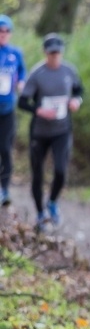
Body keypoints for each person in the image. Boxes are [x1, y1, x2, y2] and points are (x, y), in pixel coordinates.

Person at [18, 33, 83, 229]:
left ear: (61, 53)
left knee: (61, 171)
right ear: (45, 53)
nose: (54, 57)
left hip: (61, 130)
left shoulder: (69, 71)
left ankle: (53, 202)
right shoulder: (37, 74)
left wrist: (76, 101)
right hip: (39, 132)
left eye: (57, 53)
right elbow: (22, 102)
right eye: (51, 53)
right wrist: (39, 110)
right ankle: (40, 214)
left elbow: (79, 91)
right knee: (37, 174)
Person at [0, 14, 26, 206]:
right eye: (1, 30)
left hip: (8, 110)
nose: (3, 34)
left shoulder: (16, 53)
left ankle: (5, 189)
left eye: (7, 30)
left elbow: (22, 73)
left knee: (5, 149)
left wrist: (22, 84)